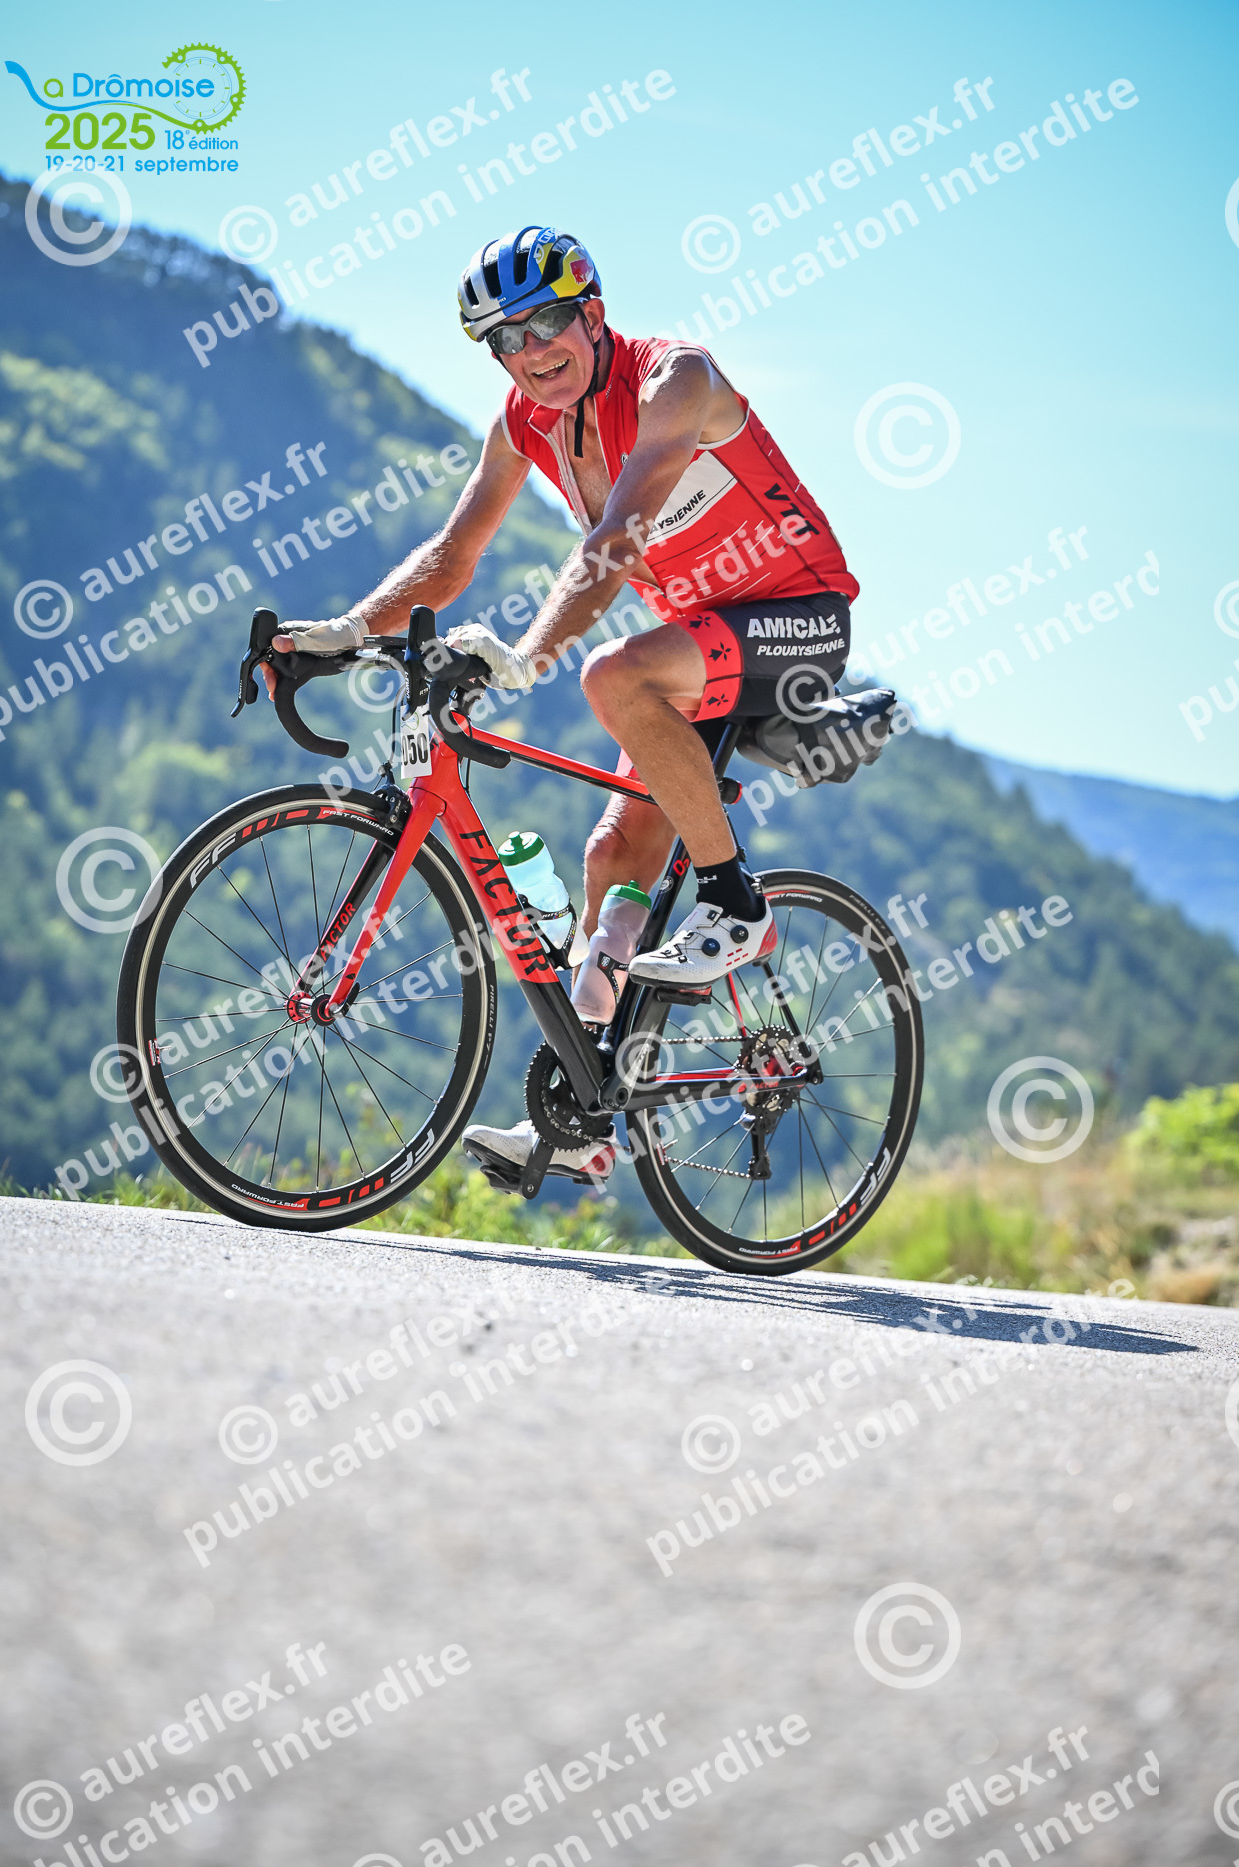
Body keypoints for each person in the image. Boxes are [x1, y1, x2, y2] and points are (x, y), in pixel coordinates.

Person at [267, 224, 858, 1180]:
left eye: (545, 323)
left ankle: (736, 904)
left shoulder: (675, 381)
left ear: (593, 314)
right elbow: (452, 557)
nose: (530, 351)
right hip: (696, 649)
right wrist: (342, 632)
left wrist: (526, 658)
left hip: (796, 618)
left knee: (610, 675)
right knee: (612, 859)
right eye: (504, 338)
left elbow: (616, 542)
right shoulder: (525, 423)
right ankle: (580, 1126)